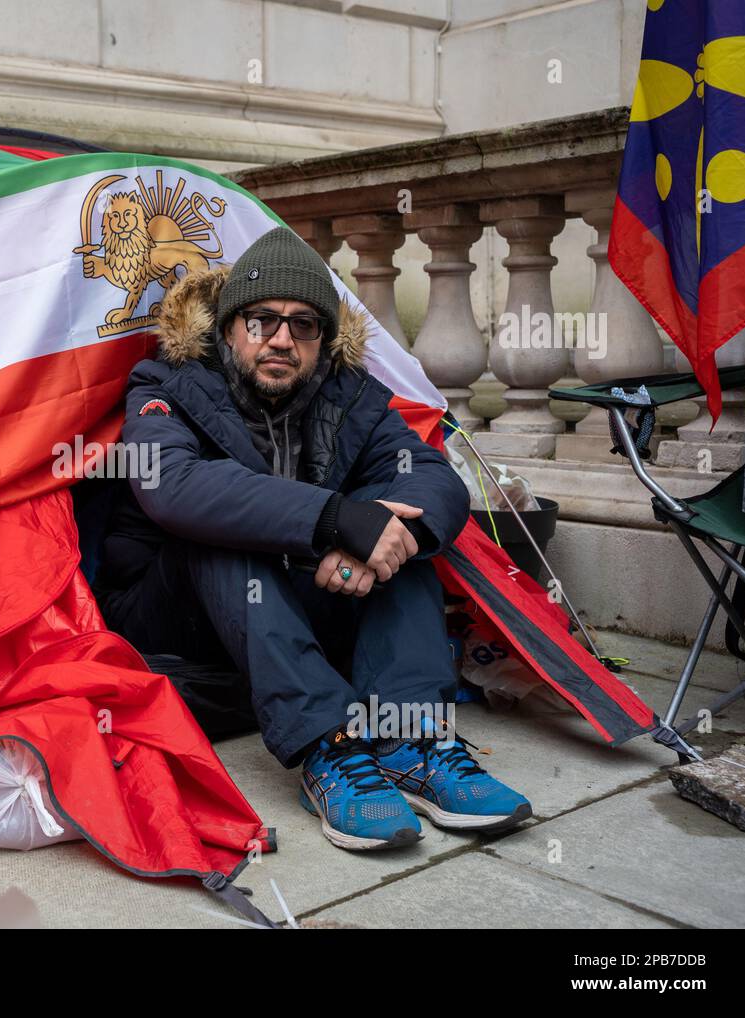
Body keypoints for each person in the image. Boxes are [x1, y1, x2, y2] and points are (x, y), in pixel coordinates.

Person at [92, 227, 531, 851]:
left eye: (303, 326)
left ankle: (413, 740)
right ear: (227, 326)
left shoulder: (349, 397)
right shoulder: (166, 386)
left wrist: (370, 529)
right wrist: (334, 520)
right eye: (262, 319)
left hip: (294, 621)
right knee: (224, 531)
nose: (281, 339)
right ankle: (331, 749)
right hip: (179, 627)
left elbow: (435, 477)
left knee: (400, 535)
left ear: (323, 342)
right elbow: (174, 484)